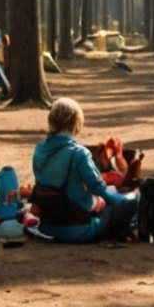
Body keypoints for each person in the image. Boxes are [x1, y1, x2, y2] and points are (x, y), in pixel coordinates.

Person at [31, 98, 138, 243]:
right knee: (132, 200)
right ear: (77, 122)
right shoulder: (79, 153)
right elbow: (99, 188)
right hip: (80, 229)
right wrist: (126, 201)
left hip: (47, 227)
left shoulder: (39, 150)